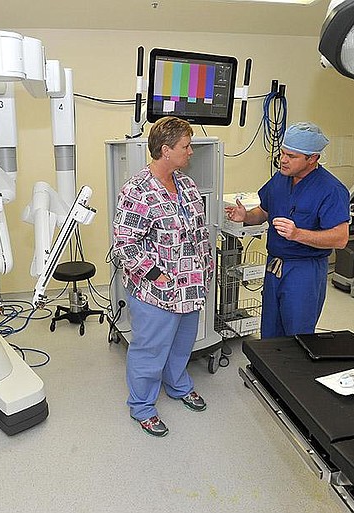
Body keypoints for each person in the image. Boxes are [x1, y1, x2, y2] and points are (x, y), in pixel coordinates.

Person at [113, 116, 215, 437]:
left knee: (181, 344)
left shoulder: (185, 184)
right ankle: (142, 405)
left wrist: (205, 267)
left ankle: (178, 385)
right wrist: (157, 275)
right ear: (165, 150)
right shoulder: (137, 191)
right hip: (157, 290)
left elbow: (198, 232)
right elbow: (125, 243)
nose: (191, 151)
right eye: (186, 146)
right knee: (150, 348)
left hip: (191, 284)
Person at [225, 122, 349, 339]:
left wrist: (297, 234)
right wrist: (245, 217)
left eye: (292, 156)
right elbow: (263, 212)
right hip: (274, 266)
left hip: (304, 271)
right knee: (270, 331)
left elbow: (340, 238)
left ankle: (296, 372)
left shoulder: (331, 190)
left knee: (297, 335)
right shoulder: (280, 179)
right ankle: (267, 372)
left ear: (312, 158)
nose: (283, 160)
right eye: (282, 153)